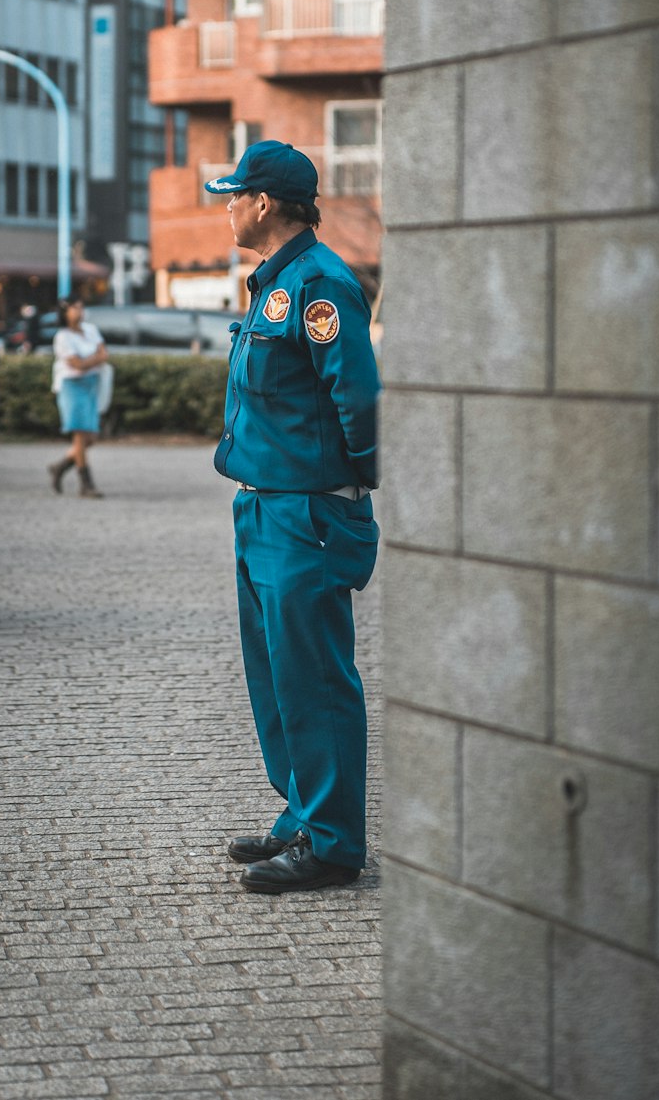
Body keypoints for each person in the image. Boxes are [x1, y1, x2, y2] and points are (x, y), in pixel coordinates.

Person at [204, 141, 381, 893]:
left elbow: (359, 399)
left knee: (314, 679)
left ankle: (335, 845)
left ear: (266, 203)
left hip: (304, 511)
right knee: (275, 676)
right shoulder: (273, 282)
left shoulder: (319, 284)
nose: (229, 206)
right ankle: (302, 815)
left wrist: (346, 485)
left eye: (235, 195)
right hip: (262, 506)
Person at [48, 297, 108, 498]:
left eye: (81, 307)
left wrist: (89, 361)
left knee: (91, 437)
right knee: (81, 435)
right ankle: (86, 483)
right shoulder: (63, 337)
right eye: (75, 308)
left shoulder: (90, 329)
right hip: (72, 386)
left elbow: (102, 355)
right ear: (65, 313)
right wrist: (94, 359)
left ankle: (61, 466)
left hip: (91, 384)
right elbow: (77, 364)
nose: (79, 312)